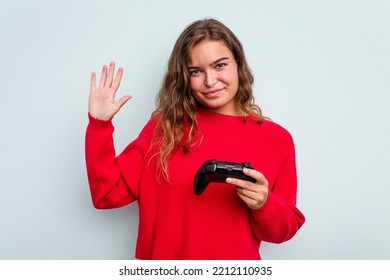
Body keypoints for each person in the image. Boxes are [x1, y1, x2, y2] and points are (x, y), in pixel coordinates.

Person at [85, 18, 305, 260]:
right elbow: (107, 194)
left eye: (219, 66)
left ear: (239, 64)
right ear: (183, 77)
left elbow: (282, 232)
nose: (210, 81)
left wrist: (264, 203)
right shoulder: (163, 129)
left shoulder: (276, 140)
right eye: (196, 72)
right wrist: (99, 125)